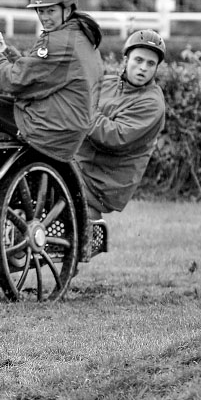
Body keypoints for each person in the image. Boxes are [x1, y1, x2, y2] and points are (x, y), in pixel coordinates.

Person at [0, 0, 103, 164]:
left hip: (48, 129)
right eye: (40, 11)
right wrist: (3, 51)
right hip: (63, 127)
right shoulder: (81, 36)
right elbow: (38, 76)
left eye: (50, 11)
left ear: (67, 10)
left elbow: (15, 82)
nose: (44, 18)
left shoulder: (59, 41)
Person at [74, 30, 167, 260]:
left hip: (103, 180)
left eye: (150, 63)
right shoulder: (107, 83)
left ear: (156, 69)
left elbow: (114, 137)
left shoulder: (152, 103)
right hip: (79, 162)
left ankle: (82, 232)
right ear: (126, 60)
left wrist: (81, 112)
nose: (143, 67)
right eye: (138, 60)